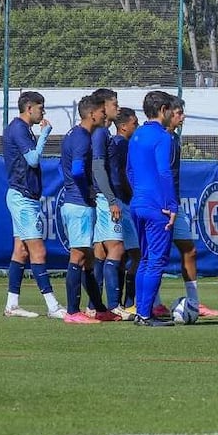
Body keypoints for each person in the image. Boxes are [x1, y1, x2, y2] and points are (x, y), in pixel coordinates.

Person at [2, 91, 66, 319]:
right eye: (40, 107)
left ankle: (12, 305)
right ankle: (53, 306)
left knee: (20, 251)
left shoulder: (22, 128)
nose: (43, 112)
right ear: (29, 108)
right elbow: (33, 160)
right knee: (38, 250)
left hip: (22, 196)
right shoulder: (19, 128)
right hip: (22, 197)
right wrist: (45, 135)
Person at [60, 94, 117, 324]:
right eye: (102, 112)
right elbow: (76, 171)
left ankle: (100, 309)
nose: (105, 115)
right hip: (79, 203)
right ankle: (72, 312)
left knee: (89, 259)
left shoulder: (74, 134)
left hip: (76, 202)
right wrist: (87, 191)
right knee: (79, 255)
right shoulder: (83, 137)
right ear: (92, 114)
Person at [166, 96, 218, 318]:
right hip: (160, 204)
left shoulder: (174, 138)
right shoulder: (160, 138)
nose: (183, 116)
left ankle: (194, 302)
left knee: (189, 249)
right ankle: (148, 304)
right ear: (167, 112)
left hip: (174, 203)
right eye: (179, 112)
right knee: (150, 255)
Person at [128, 90, 177, 327]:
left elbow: (129, 170)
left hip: (137, 203)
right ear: (163, 110)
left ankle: (142, 312)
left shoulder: (136, 134)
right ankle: (145, 315)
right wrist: (171, 204)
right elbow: (164, 171)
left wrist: (139, 194)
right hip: (157, 206)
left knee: (145, 259)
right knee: (156, 261)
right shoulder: (163, 136)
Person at [89, 88, 120, 315]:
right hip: (103, 198)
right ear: (103, 107)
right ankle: (114, 306)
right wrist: (110, 199)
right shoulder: (100, 133)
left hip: (101, 197)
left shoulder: (104, 132)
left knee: (99, 251)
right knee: (116, 247)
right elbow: (98, 167)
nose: (117, 108)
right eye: (114, 105)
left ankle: (94, 306)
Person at [108, 107, 140, 313]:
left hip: (121, 200)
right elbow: (120, 173)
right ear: (123, 127)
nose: (137, 126)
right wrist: (131, 194)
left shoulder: (119, 143)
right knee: (135, 254)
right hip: (123, 202)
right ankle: (127, 303)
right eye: (134, 123)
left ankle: (121, 303)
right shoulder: (121, 144)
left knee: (124, 255)